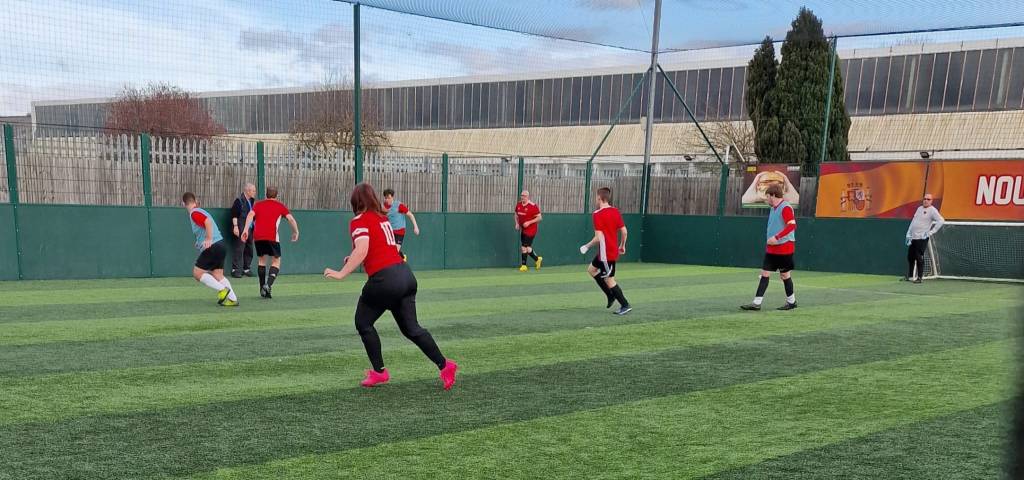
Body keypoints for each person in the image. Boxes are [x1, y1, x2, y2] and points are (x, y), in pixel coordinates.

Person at [323, 183, 458, 390]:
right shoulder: (382, 219)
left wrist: (342, 273)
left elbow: (363, 248)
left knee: (363, 322)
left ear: (355, 202)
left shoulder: (359, 220)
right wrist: (353, 257)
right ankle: (445, 365)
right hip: (405, 275)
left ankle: (379, 372)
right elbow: (380, 247)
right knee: (412, 329)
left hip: (385, 281)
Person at [741, 184, 797, 311]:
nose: (766, 199)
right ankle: (756, 303)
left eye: (767, 196)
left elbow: (792, 226)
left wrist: (776, 237)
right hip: (772, 248)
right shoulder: (773, 209)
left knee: (785, 275)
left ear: (773, 195)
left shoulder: (785, 208)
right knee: (764, 273)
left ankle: (792, 302)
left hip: (784, 248)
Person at [579, 187, 631, 315]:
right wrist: (622, 245)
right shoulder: (615, 211)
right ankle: (610, 295)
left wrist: (586, 246)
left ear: (599, 198)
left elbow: (598, 238)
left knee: (609, 279)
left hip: (606, 254)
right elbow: (624, 232)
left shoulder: (597, 214)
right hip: (607, 251)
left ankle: (625, 305)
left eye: (596, 197)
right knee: (591, 270)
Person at [241, 187, 299, 299]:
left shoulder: (258, 205)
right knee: (276, 261)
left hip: (258, 237)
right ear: (276, 195)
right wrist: (296, 232)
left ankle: (262, 288)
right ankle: (268, 285)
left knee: (261, 260)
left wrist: (245, 230)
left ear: (266, 195)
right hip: (272, 237)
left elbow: (250, 215)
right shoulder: (280, 206)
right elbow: (291, 219)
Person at [182, 192, 238, 307]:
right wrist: (199, 242)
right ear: (195, 201)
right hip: (221, 245)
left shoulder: (194, 213)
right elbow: (204, 227)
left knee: (197, 273)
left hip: (214, 246)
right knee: (218, 274)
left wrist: (208, 238)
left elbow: (207, 221)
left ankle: (222, 289)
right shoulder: (201, 211)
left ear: (183, 203)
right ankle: (233, 299)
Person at [904, 193, 945, 283]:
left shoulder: (932, 210)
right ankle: (910, 276)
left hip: (922, 238)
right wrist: (908, 233)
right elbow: (913, 221)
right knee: (910, 257)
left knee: (919, 257)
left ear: (931, 201)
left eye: (928, 199)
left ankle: (920, 278)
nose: (926, 200)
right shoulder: (919, 208)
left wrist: (930, 232)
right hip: (913, 237)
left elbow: (941, 221)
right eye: (924, 199)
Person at [382, 188, 419, 262]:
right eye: (386, 198)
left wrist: (416, 227)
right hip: (390, 232)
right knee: (388, 250)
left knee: (394, 252)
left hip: (399, 231)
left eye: (389, 198)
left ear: (392, 197)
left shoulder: (399, 205)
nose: (387, 200)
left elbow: (411, 215)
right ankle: (401, 256)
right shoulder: (383, 207)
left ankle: (401, 258)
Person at [229, 183, 256, 278]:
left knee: (249, 248)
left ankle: (246, 269)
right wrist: (235, 226)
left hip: (250, 228)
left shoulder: (252, 201)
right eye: (253, 191)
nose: (254, 192)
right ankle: (235, 270)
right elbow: (234, 215)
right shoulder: (239, 201)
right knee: (239, 248)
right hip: (241, 226)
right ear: (248, 191)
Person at [514, 190, 543, 272]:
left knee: (523, 247)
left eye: (524, 196)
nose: (522, 197)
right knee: (528, 248)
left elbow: (540, 217)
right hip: (523, 229)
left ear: (527, 197)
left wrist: (529, 222)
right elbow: (516, 214)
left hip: (531, 230)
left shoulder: (533, 206)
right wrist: (517, 223)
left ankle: (524, 266)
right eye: (521, 195)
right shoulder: (519, 205)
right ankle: (537, 259)